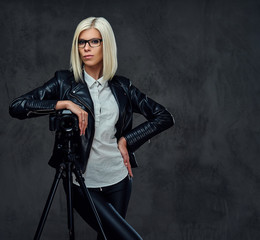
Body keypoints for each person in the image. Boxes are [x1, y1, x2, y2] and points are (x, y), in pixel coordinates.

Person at [9, 17, 174, 240]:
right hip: (82, 181)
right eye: (81, 42)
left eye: (94, 41)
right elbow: (17, 106)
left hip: (119, 180)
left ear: (106, 45)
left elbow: (163, 116)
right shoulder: (64, 83)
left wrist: (127, 140)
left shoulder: (122, 87)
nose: (86, 48)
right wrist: (63, 103)